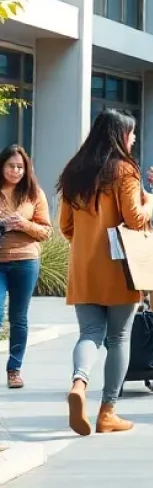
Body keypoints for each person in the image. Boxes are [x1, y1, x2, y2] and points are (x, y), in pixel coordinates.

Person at [58, 109, 153, 435]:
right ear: (118, 135)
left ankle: (79, 383)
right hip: (120, 267)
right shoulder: (125, 171)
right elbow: (135, 218)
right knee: (118, 337)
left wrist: (88, 242)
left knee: (89, 334)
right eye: (132, 132)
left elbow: (65, 227)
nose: (134, 138)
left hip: (83, 265)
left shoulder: (74, 171)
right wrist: (150, 203)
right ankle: (107, 412)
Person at [0, 144, 51, 388]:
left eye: (20, 167)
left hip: (25, 260)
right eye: (11, 166)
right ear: (2, 166)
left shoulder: (34, 194)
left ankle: (14, 370)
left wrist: (23, 224)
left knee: (18, 317)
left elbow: (46, 232)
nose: (16, 171)